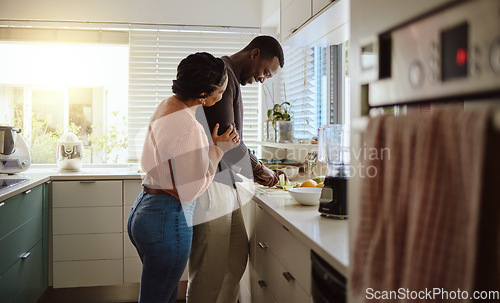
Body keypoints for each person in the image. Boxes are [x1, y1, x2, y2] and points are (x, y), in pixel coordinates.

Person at [127, 52, 240, 303]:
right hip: (167, 218)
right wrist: (218, 149)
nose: (221, 97)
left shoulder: (167, 105)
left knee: (155, 295)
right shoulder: (189, 127)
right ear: (203, 94)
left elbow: (150, 161)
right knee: (158, 298)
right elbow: (190, 191)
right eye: (219, 93)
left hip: (143, 211)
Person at [187, 35, 286, 303]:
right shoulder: (222, 76)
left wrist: (256, 168)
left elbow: (234, 141)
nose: (263, 79)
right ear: (255, 53)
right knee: (209, 272)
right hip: (211, 185)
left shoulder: (230, 78)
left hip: (224, 185)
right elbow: (228, 142)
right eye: (265, 71)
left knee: (234, 261)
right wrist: (258, 168)